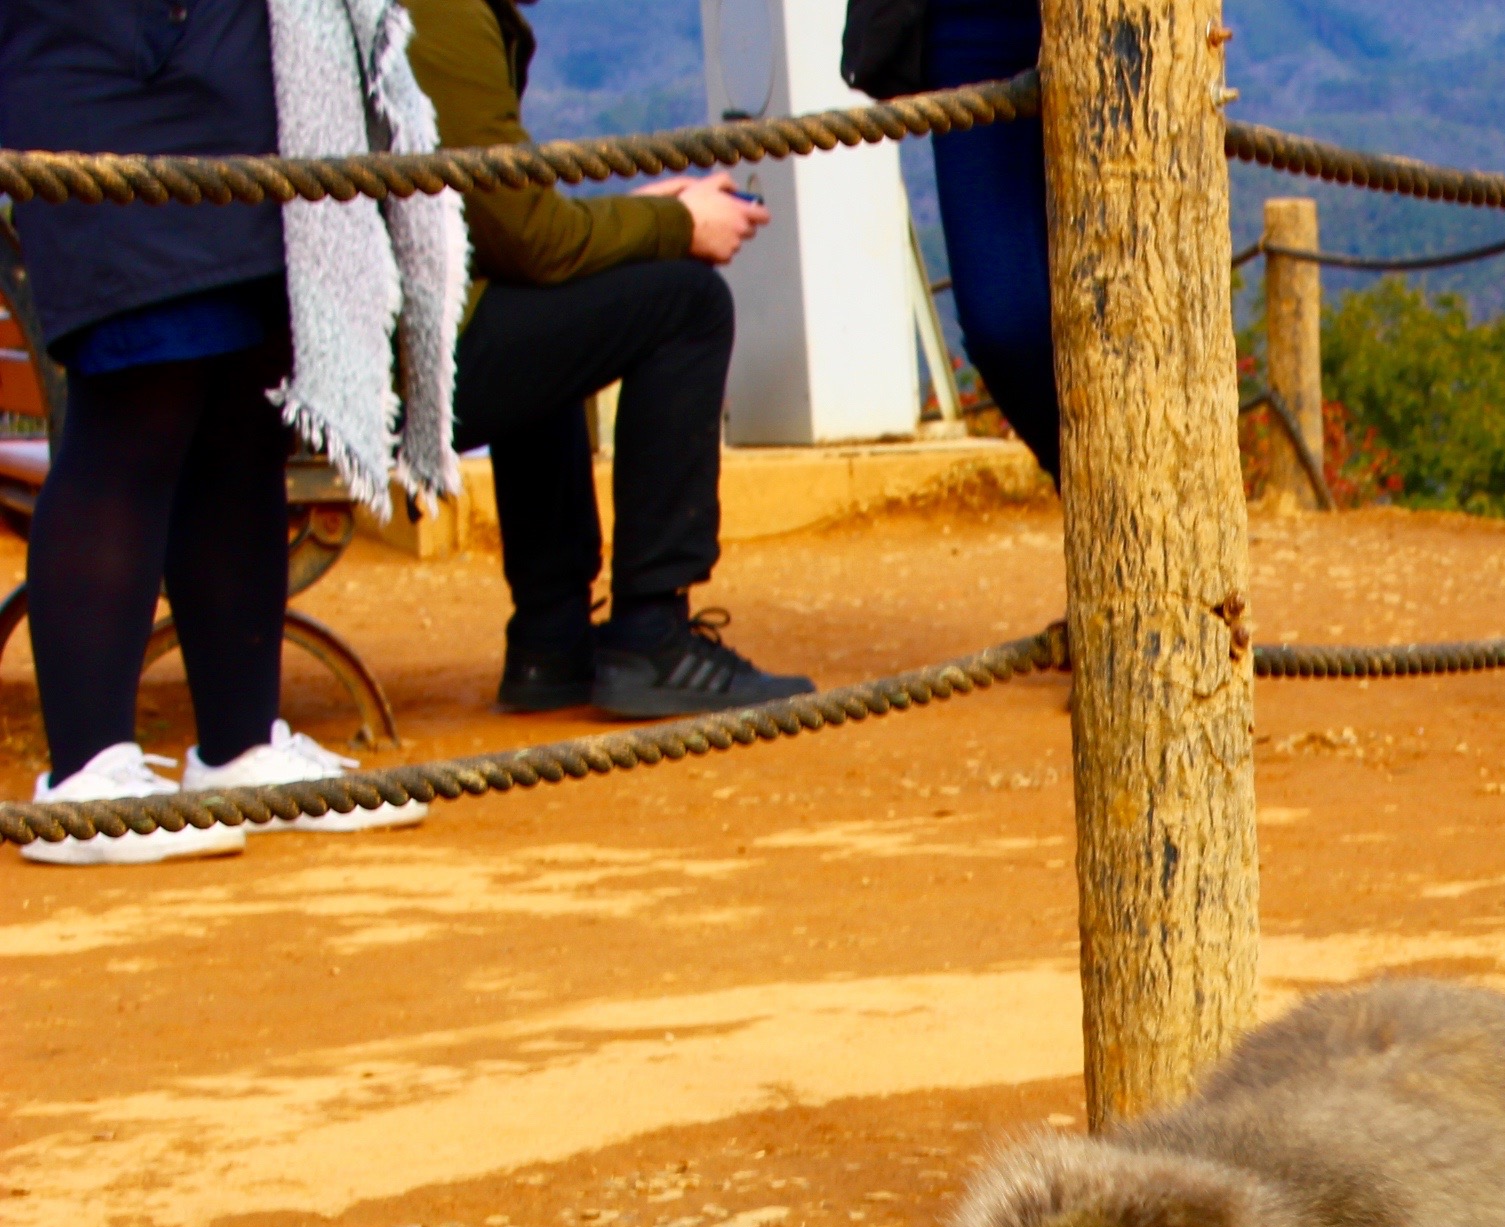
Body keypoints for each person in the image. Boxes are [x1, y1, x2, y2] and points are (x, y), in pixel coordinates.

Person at [1, 0, 426, 865]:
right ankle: (85, 777)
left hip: (250, 77)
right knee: (135, 401)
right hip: (105, 70)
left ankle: (240, 750)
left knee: (244, 417)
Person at [409, 0, 817, 718]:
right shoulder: (443, 12)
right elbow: (529, 240)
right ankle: (651, 636)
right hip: (402, 367)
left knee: (566, 308)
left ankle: (552, 641)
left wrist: (644, 214)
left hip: (405, 335)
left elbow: (505, 228)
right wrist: (674, 224)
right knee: (686, 304)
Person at [845, 0, 1059, 479]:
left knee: (1132, 300)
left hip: (1132, 24)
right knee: (1002, 326)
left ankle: (1158, 515)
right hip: (975, 25)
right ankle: (1100, 493)